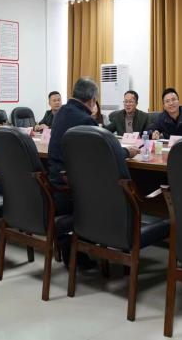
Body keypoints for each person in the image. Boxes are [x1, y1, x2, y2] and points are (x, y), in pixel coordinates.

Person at [48, 78, 138, 269]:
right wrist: (127, 152)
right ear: (92, 99)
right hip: (72, 189)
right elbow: (104, 154)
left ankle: (76, 252)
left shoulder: (62, 112)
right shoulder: (84, 119)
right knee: (113, 190)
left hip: (57, 181)